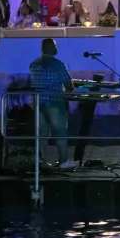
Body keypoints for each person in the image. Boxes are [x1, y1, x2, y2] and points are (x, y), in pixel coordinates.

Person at [28, 38, 77, 168]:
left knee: (41, 135)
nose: (57, 48)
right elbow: (69, 85)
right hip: (54, 102)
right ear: (52, 48)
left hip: (39, 103)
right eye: (55, 46)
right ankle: (63, 161)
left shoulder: (34, 64)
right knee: (60, 132)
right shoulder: (58, 64)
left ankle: (40, 162)